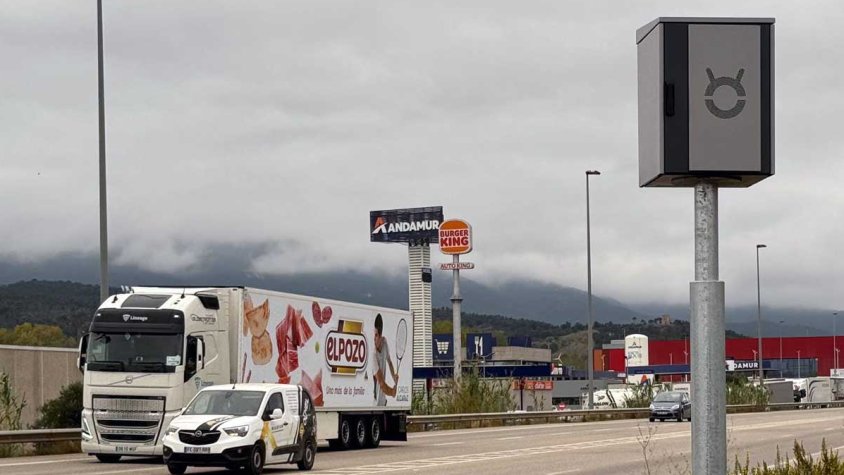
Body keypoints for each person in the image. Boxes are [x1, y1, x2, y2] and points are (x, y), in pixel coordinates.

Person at [373, 313, 398, 406]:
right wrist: (392, 392)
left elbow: (390, 362)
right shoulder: (373, 355)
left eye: (376, 335)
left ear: (380, 336)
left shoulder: (384, 342)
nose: (374, 338)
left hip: (383, 403)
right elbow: (381, 383)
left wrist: (394, 377)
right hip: (376, 404)